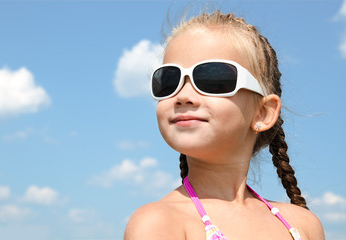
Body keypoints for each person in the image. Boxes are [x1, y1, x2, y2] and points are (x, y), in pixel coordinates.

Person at [124, 10, 325, 240]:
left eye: (213, 79)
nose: (183, 95)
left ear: (263, 113)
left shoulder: (304, 225)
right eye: (169, 80)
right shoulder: (158, 223)